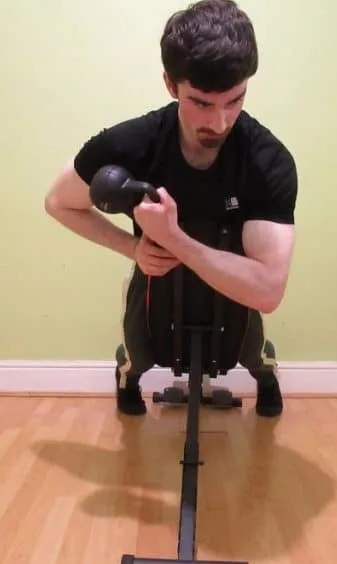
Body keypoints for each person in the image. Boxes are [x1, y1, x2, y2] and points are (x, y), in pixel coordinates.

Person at [44, 0, 296, 418]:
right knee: (140, 353)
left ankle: (267, 376)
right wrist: (135, 249)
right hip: (156, 272)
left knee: (248, 351)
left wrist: (174, 238)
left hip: (231, 278)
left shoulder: (268, 161)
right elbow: (58, 203)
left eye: (235, 101)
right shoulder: (130, 144)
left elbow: (268, 291)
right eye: (201, 103)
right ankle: (127, 377)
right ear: (170, 84)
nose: (219, 122)